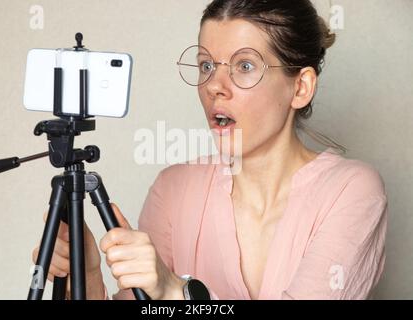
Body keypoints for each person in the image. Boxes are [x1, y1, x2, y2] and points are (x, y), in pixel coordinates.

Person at [33, 0, 388, 300]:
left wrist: (177, 292)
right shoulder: (173, 189)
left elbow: (168, 292)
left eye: (244, 66)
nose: (215, 86)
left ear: (300, 87)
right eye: (206, 65)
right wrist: (90, 274)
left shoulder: (351, 190)